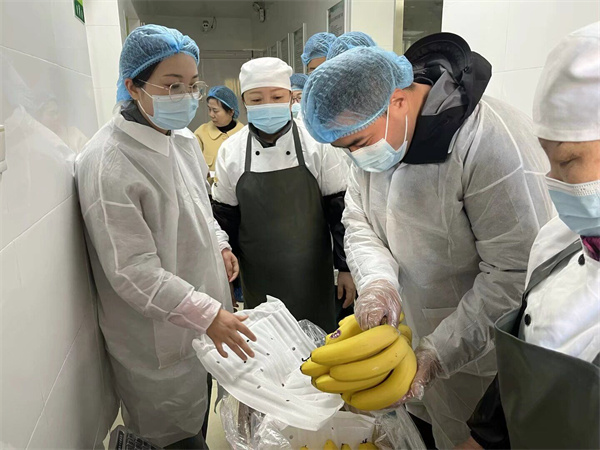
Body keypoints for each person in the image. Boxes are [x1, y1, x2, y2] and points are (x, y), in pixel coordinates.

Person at [302, 35, 555, 448]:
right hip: (412, 338)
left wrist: (440, 353)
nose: (355, 158)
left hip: (482, 361)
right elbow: (359, 220)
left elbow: (515, 274)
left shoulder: (487, 141)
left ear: (399, 100)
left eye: (357, 145)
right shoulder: (376, 132)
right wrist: (378, 282)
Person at [75, 24, 256, 449]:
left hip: (202, 323)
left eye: (192, 85)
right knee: (174, 438)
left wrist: (220, 245)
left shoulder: (181, 141)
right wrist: (207, 314)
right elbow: (133, 272)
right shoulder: (109, 162)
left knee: (199, 418)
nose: (186, 97)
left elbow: (200, 209)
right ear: (132, 86)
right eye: (172, 86)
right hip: (158, 344)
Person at [459, 21, 600, 450]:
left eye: (567, 161)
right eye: (548, 160)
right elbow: (525, 369)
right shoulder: (558, 242)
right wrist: (482, 440)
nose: (553, 182)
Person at [211, 57, 355, 332]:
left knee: (321, 347)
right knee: (268, 344)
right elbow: (224, 218)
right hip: (258, 280)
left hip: (313, 275)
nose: (267, 105)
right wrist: (225, 269)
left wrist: (346, 268)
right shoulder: (231, 151)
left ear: (290, 97)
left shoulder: (316, 143)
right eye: (256, 99)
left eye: (277, 97)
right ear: (244, 102)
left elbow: (340, 211)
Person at [194, 85, 244, 178]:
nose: (211, 114)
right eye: (209, 109)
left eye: (215, 110)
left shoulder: (243, 134)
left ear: (231, 111)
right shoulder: (201, 133)